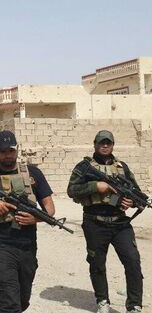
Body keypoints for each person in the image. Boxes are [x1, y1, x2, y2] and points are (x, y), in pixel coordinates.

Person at [0, 130, 56, 313]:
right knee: (10, 302)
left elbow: (49, 207)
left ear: (17, 149)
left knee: (22, 300)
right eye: (3, 151)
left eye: (11, 150)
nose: (8, 155)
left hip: (27, 246)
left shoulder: (33, 173)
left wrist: (35, 218)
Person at [67, 130, 143, 313]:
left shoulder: (121, 167)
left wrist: (131, 202)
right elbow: (72, 190)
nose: (105, 145)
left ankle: (134, 305)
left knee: (132, 261)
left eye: (108, 142)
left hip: (120, 223)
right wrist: (96, 186)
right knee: (97, 263)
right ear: (95, 144)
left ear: (113, 145)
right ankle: (102, 301)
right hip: (95, 223)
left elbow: (137, 195)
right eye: (101, 142)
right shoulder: (84, 167)